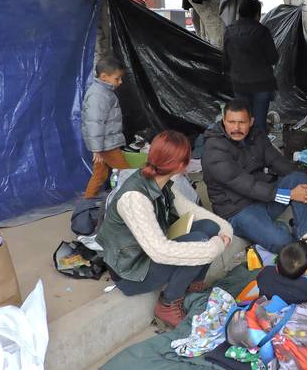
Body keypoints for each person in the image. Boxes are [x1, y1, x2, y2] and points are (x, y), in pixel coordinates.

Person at [97, 131, 233, 327]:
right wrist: (215, 248)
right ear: (181, 165)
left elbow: (191, 209)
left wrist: (224, 230)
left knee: (210, 228)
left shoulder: (160, 181)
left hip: (145, 255)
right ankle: (168, 304)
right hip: (131, 272)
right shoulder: (134, 198)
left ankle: (193, 289)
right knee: (201, 242)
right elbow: (160, 252)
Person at [202, 98, 307, 253]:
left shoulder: (256, 135)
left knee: (298, 178)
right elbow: (247, 186)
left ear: (251, 121)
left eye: (242, 122)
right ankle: (281, 231)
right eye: (231, 122)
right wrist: (290, 195)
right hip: (238, 210)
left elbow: (277, 161)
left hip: (263, 197)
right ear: (224, 121)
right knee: (282, 242)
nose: (236, 128)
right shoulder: (214, 150)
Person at [222, 0, 279, 130]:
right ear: (256, 13)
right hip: (261, 84)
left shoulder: (229, 31)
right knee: (259, 124)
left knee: (242, 122)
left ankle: (243, 148)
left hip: (239, 84)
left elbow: (225, 60)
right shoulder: (262, 31)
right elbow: (273, 58)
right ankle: (257, 148)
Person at [81, 55, 131, 199]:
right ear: (104, 77)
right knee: (126, 173)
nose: (120, 82)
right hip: (106, 146)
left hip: (104, 144)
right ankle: (129, 201)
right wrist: (97, 149)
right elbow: (94, 123)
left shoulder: (103, 92)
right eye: (117, 78)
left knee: (100, 174)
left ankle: (87, 202)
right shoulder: (99, 95)